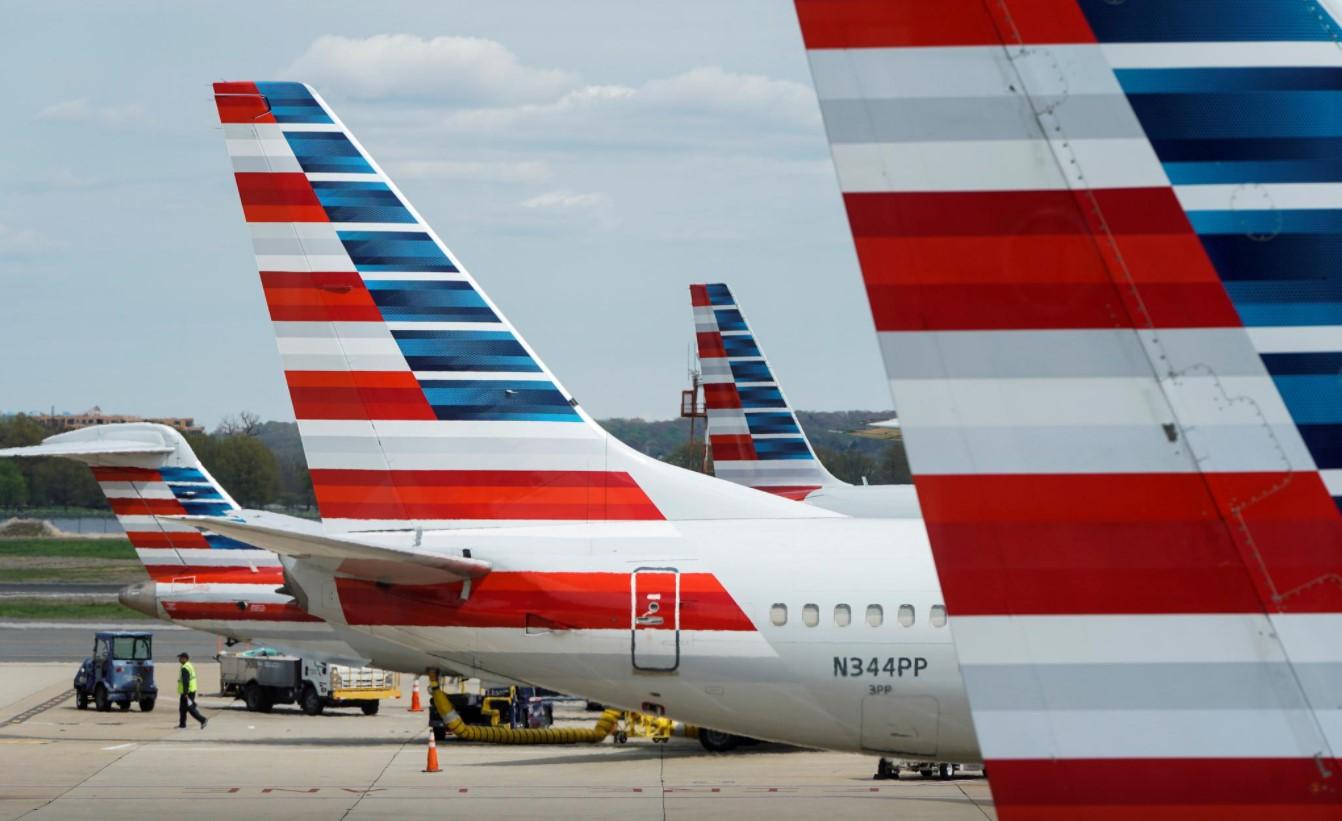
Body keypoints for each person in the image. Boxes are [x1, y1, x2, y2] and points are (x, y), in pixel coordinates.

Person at [177, 652, 207, 729]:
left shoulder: (185, 668)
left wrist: (186, 693)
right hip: (191, 690)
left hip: (187, 692)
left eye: (180, 658)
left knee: (190, 708)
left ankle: (203, 720)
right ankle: (182, 724)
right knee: (182, 708)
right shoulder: (189, 665)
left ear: (185, 658)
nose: (179, 659)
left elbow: (185, 681)